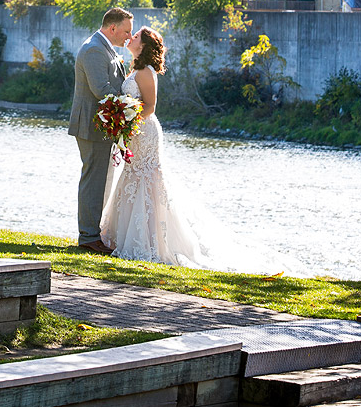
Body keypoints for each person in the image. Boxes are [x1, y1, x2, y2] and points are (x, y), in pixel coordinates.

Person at [100, 27, 286, 273]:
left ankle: (151, 241)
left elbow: (150, 107)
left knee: (148, 180)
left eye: (135, 37)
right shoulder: (134, 68)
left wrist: (127, 121)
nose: (130, 38)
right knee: (132, 177)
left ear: (143, 45)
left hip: (145, 132)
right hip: (134, 133)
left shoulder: (145, 72)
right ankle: (125, 236)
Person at [68, 6, 133, 253]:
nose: (129, 36)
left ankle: (94, 234)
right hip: (91, 126)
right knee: (93, 182)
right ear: (112, 27)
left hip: (102, 126)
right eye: (126, 31)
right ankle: (88, 238)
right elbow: (101, 90)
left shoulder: (106, 48)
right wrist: (131, 106)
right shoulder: (94, 49)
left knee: (100, 181)